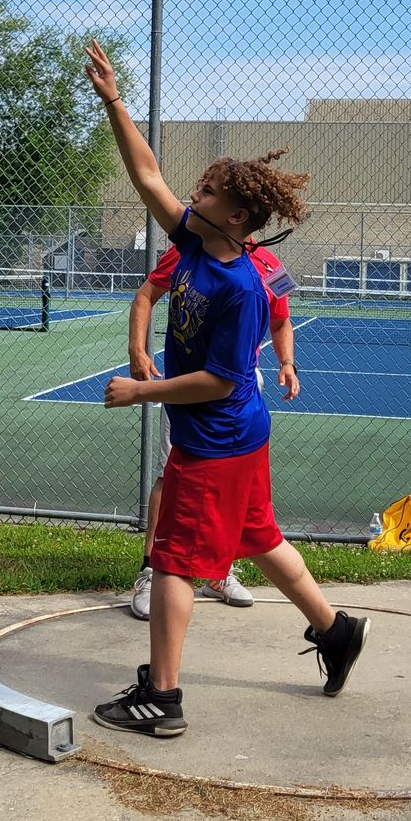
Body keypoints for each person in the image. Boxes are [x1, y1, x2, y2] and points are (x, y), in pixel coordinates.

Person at [83, 39, 369, 739]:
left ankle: (164, 699)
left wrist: (139, 391)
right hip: (241, 437)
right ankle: (336, 633)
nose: (193, 195)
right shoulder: (190, 243)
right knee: (260, 538)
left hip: (215, 441)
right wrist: (115, 102)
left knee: (174, 560)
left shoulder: (241, 286)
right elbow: (148, 177)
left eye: (208, 192)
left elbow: (217, 379)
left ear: (237, 217)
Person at [127, 236, 299, 619]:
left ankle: (218, 572)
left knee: (237, 490)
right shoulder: (190, 250)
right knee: (168, 476)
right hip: (189, 388)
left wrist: (287, 362)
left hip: (239, 396)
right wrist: (137, 350)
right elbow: (145, 295)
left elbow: (282, 319)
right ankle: (152, 570)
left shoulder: (270, 265)